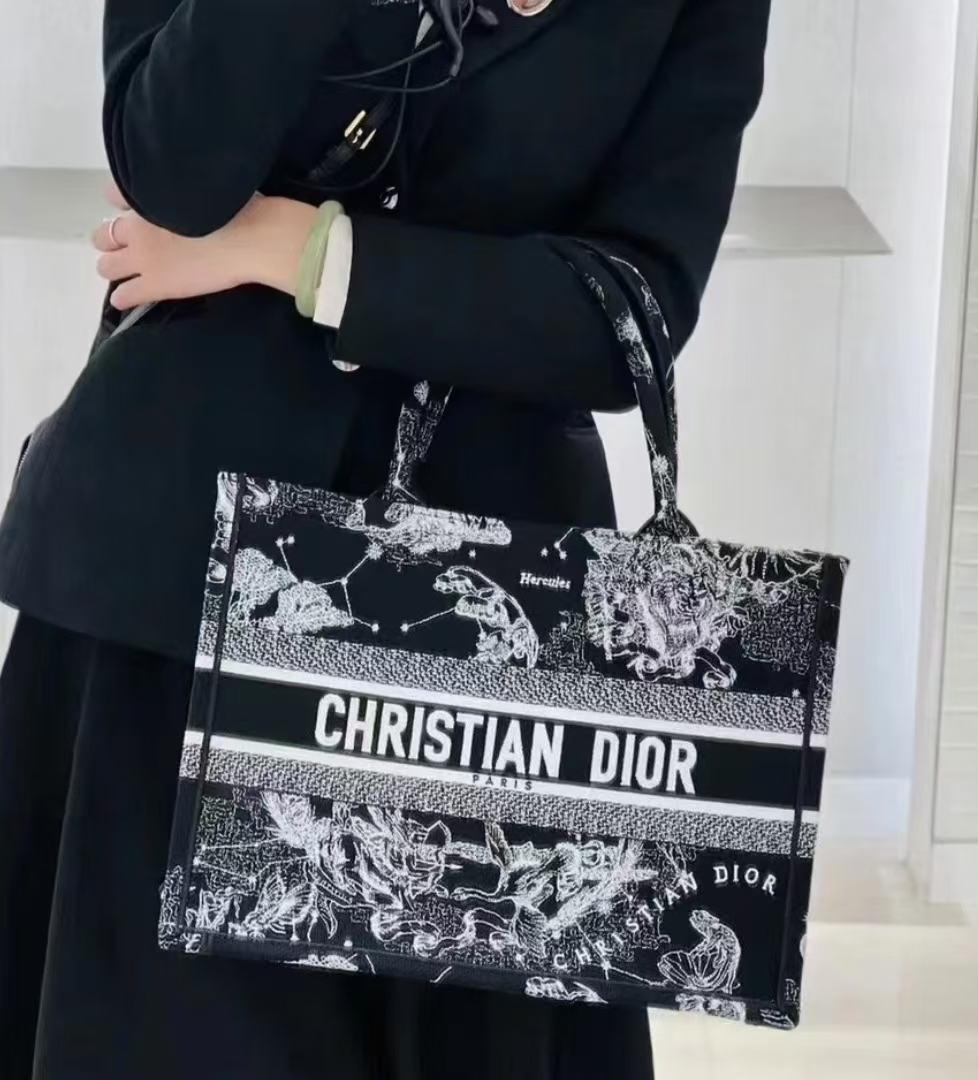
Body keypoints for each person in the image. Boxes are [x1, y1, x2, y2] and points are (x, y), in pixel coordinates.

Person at [0, 1, 771, 1077]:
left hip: (477, 648)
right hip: (171, 587)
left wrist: (307, 252)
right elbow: (172, 170)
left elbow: (628, 312)